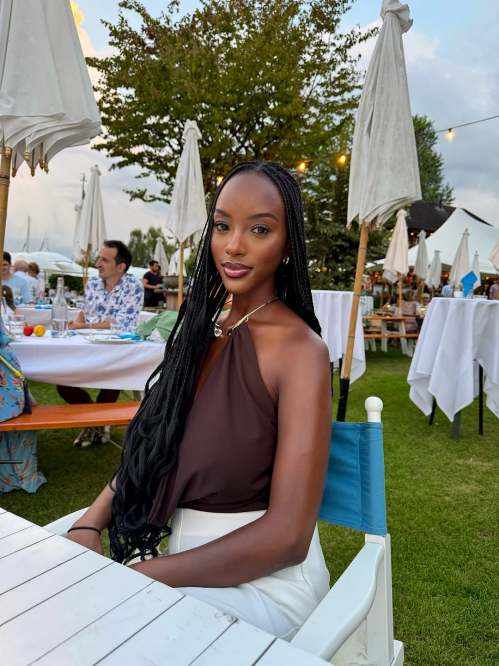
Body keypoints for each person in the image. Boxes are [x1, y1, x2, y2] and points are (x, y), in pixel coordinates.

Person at [66, 161, 332, 640]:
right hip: (176, 560)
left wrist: (143, 576)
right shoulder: (201, 333)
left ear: (288, 245)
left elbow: (289, 537)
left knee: (111, 630)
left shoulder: (300, 352)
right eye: (223, 225)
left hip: (263, 582)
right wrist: (89, 523)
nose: (234, 245)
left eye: (260, 229)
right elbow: (153, 447)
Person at [59, 240, 144, 448]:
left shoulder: (133, 286)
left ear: (120, 266)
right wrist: (77, 324)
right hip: (87, 347)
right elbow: (84, 311)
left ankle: (93, 425)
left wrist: (84, 326)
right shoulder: (93, 284)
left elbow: (122, 324)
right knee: (62, 381)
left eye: (104, 260)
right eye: (98, 258)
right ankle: (96, 422)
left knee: (113, 380)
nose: (97, 263)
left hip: (117, 351)